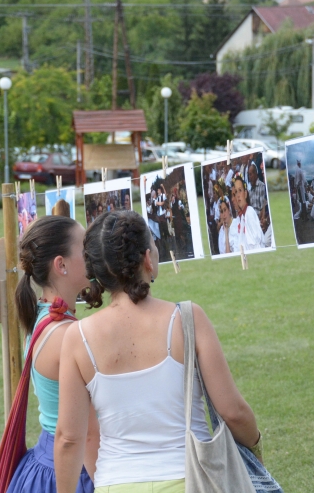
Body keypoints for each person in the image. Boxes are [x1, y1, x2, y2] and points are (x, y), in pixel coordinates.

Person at [55, 211, 263, 493]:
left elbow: (69, 438)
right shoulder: (188, 319)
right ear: (147, 259)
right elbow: (233, 411)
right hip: (192, 479)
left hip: (115, 483)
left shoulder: (76, 338)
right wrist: (256, 445)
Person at [7, 216, 96, 493]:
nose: (93, 254)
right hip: (74, 470)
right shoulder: (68, 334)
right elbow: (88, 432)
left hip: (45, 464)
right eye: (85, 248)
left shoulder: (42, 316)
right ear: (61, 265)